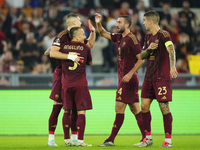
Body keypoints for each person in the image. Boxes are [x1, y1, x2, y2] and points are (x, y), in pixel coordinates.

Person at [95, 13, 145, 146]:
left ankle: (110, 140)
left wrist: (130, 74)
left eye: (119, 22)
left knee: (119, 107)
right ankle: (146, 138)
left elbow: (141, 59)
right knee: (135, 109)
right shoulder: (119, 37)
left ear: (127, 24)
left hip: (128, 79)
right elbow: (103, 33)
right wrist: (99, 23)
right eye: (116, 22)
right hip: (125, 78)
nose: (116, 25)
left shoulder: (132, 39)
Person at [47, 13, 95, 147]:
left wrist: (93, 32)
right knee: (57, 106)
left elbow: (89, 45)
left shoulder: (78, 36)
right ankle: (51, 138)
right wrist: (70, 57)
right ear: (74, 23)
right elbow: (52, 53)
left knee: (73, 107)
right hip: (61, 73)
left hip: (74, 75)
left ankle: (73, 138)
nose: (81, 23)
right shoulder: (62, 36)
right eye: (79, 21)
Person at [139, 10, 178, 148]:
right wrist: (149, 49)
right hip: (149, 77)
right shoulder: (148, 36)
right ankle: (148, 138)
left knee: (164, 108)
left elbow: (171, 49)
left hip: (161, 77)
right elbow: (142, 56)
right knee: (143, 106)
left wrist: (172, 66)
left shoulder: (164, 35)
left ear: (150, 21)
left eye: (144, 20)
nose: (143, 23)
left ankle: (168, 140)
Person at [60, 26, 93, 147]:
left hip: (66, 84)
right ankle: (80, 141)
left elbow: (51, 52)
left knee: (67, 110)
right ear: (76, 36)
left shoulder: (63, 47)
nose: (85, 36)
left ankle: (66, 140)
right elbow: (89, 62)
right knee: (81, 112)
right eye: (83, 34)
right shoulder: (85, 47)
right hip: (80, 83)